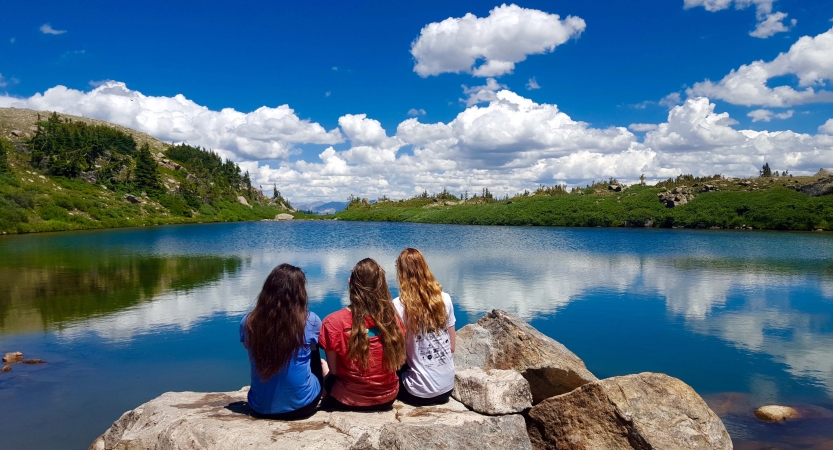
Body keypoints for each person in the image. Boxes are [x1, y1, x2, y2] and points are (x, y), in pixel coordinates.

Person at [319, 258, 406, 411]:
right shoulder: (393, 319)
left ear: (350, 283)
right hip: (387, 397)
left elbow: (334, 371)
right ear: (382, 286)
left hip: (348, 399)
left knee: (324, 369)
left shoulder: (333, 322)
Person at [240, 264, 323, 420]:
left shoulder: (248, 322)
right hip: (303, 406)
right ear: (300, 292)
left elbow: (247, 346)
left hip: (259, 406)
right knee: (314, 350)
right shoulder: (311, 320)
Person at [393, 248, 456, 406]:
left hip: (418, 393)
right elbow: (452, 347)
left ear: (401, 273)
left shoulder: (398, 305)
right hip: (447, 388)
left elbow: (399, 357)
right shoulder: (445, 299)